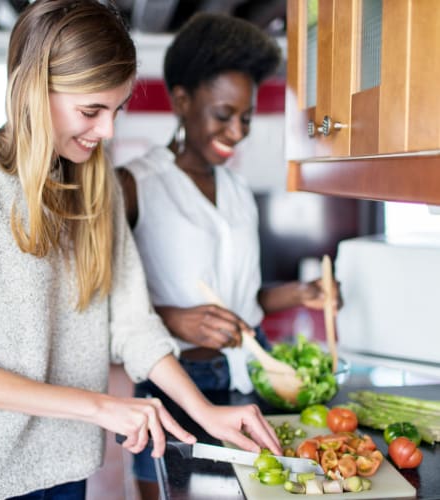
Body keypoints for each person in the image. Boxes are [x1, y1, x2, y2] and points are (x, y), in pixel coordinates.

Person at [0, 2, 283, 499]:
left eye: (115, 110)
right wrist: (101, 407)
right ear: (34, 89)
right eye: (90, 110)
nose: (107, 132)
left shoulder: (98, 188)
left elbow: (132, 322)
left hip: (67, 465)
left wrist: (204, 411)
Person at [116, 12, 341, 499]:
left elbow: (243, 297)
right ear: (181, 100)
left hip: (245, 375)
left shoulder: (238, 190)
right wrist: (174, 318)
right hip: (174, 386)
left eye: (246, 117)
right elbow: (101, 307)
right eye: (223, 114)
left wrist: (304, 293)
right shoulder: (134, 185)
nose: (238, 132)